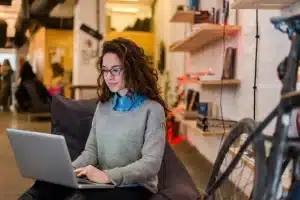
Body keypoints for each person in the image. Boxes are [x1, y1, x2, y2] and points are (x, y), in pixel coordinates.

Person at [19, 37, 168, 200]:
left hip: (136, 187)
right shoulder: (103, 106)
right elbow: (91, 151)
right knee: (41, 188)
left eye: (116, 70)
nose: (109, 76)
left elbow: (151, 164)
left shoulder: (153, 110)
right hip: (101, 181)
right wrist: (68, 171)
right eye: (105, 70)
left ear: (132, 69)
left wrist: (107, 176)